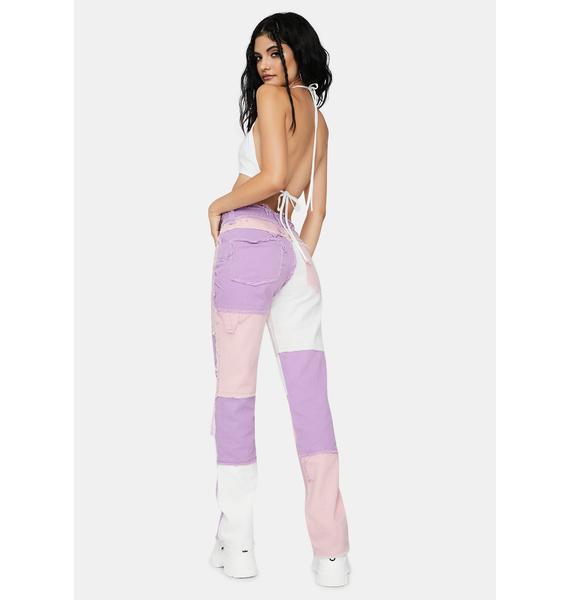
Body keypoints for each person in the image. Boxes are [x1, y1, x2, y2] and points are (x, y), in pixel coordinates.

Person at [207, 12, 350, 587]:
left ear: (298, 50)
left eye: (276, 51)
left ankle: (238, 545)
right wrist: (299, 256)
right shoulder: (320, 120)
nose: (265, 65)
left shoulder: (272, 99)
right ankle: (332, 555)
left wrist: (217, 205)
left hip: (248, 243)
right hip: (296, 257)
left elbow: (270, 176)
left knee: (235, 397)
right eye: (258, 55)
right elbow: (318, 207)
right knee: (311, 403)